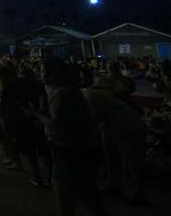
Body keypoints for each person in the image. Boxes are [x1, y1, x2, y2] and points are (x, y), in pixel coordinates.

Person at [27, 58, 107, 216]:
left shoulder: (62, 94)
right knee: (87, 195)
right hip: (78, 147)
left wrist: (35, 114)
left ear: (53, 75)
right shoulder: (68, 90)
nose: (39, 74)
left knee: (66, 195)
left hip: (70, 149)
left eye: (42, 72)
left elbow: (57, 124)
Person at [85, 76, 147, 205]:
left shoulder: (94, 95)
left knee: (132, 162)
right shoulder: (100, 94)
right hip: (113, 129)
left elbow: (99, 116)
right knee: (113, 160)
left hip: (127, 129)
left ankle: (140, 194)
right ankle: (115, 186)